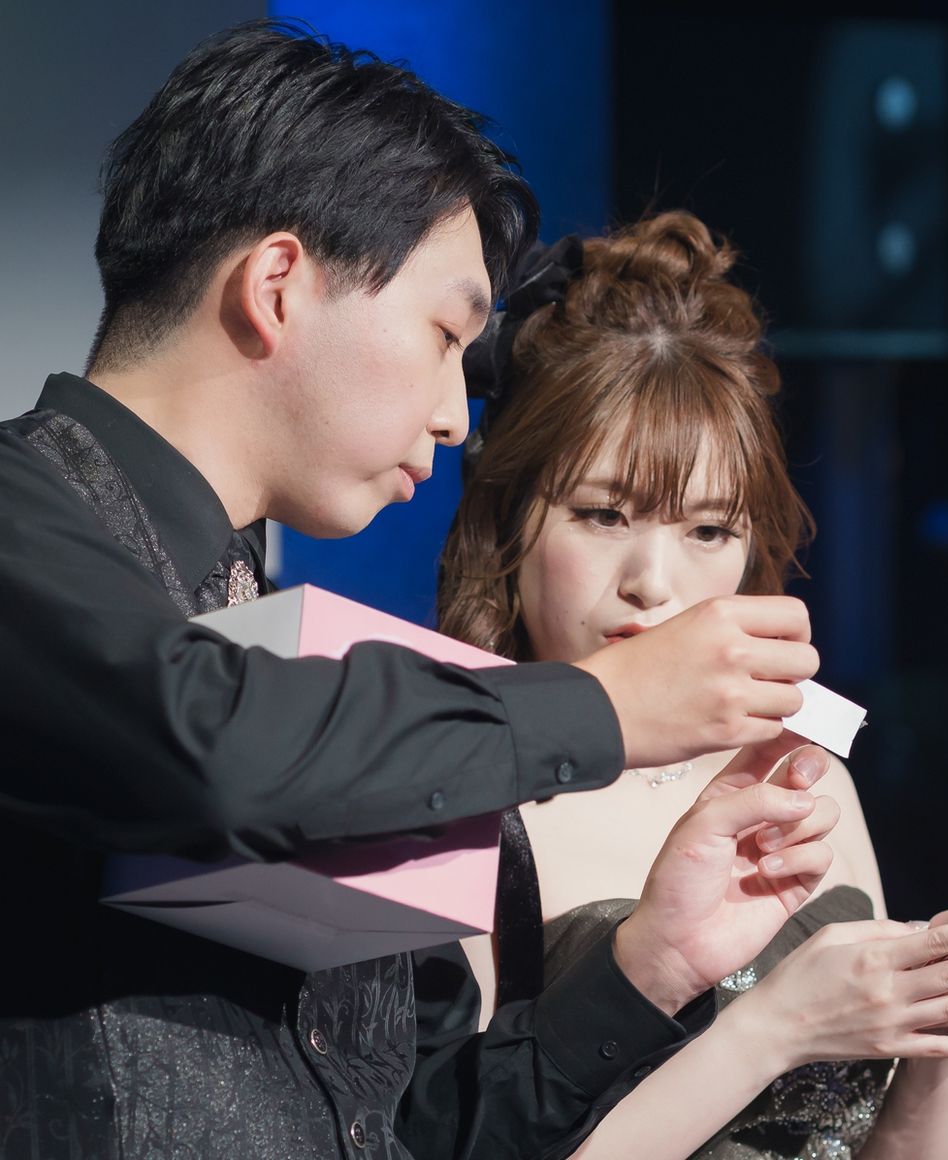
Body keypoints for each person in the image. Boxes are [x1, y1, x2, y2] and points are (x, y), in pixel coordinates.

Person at [0, 22, 852, 1160]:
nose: (455, 417)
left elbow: (419, 1125)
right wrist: (606, 707)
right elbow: (207, 739)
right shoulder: (28, 515)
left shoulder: (286, 641)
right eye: (445, 333)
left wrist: (654, 962)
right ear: (277, 285)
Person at [438, 210, 948, 1159]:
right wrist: (775, 1030)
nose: (653, 582)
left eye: (708, 530)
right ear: (509, 516)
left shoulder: (805, 764)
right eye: (603, 515)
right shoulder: (461, 788)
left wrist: (940, 1022)